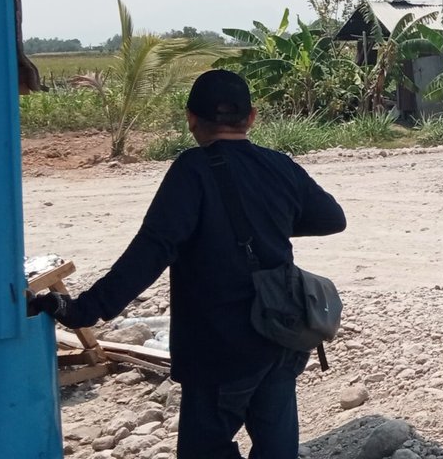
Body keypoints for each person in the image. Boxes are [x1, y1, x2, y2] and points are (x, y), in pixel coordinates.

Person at [27, 69, 346, 458]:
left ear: (191, 119)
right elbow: (332, 218)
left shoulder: (191, 170)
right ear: (251, 117)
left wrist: (83, 310)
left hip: (219, 345)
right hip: (282, 331)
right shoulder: (278, 164)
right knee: (277, 447)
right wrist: (270, 223)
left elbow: (151, 252)